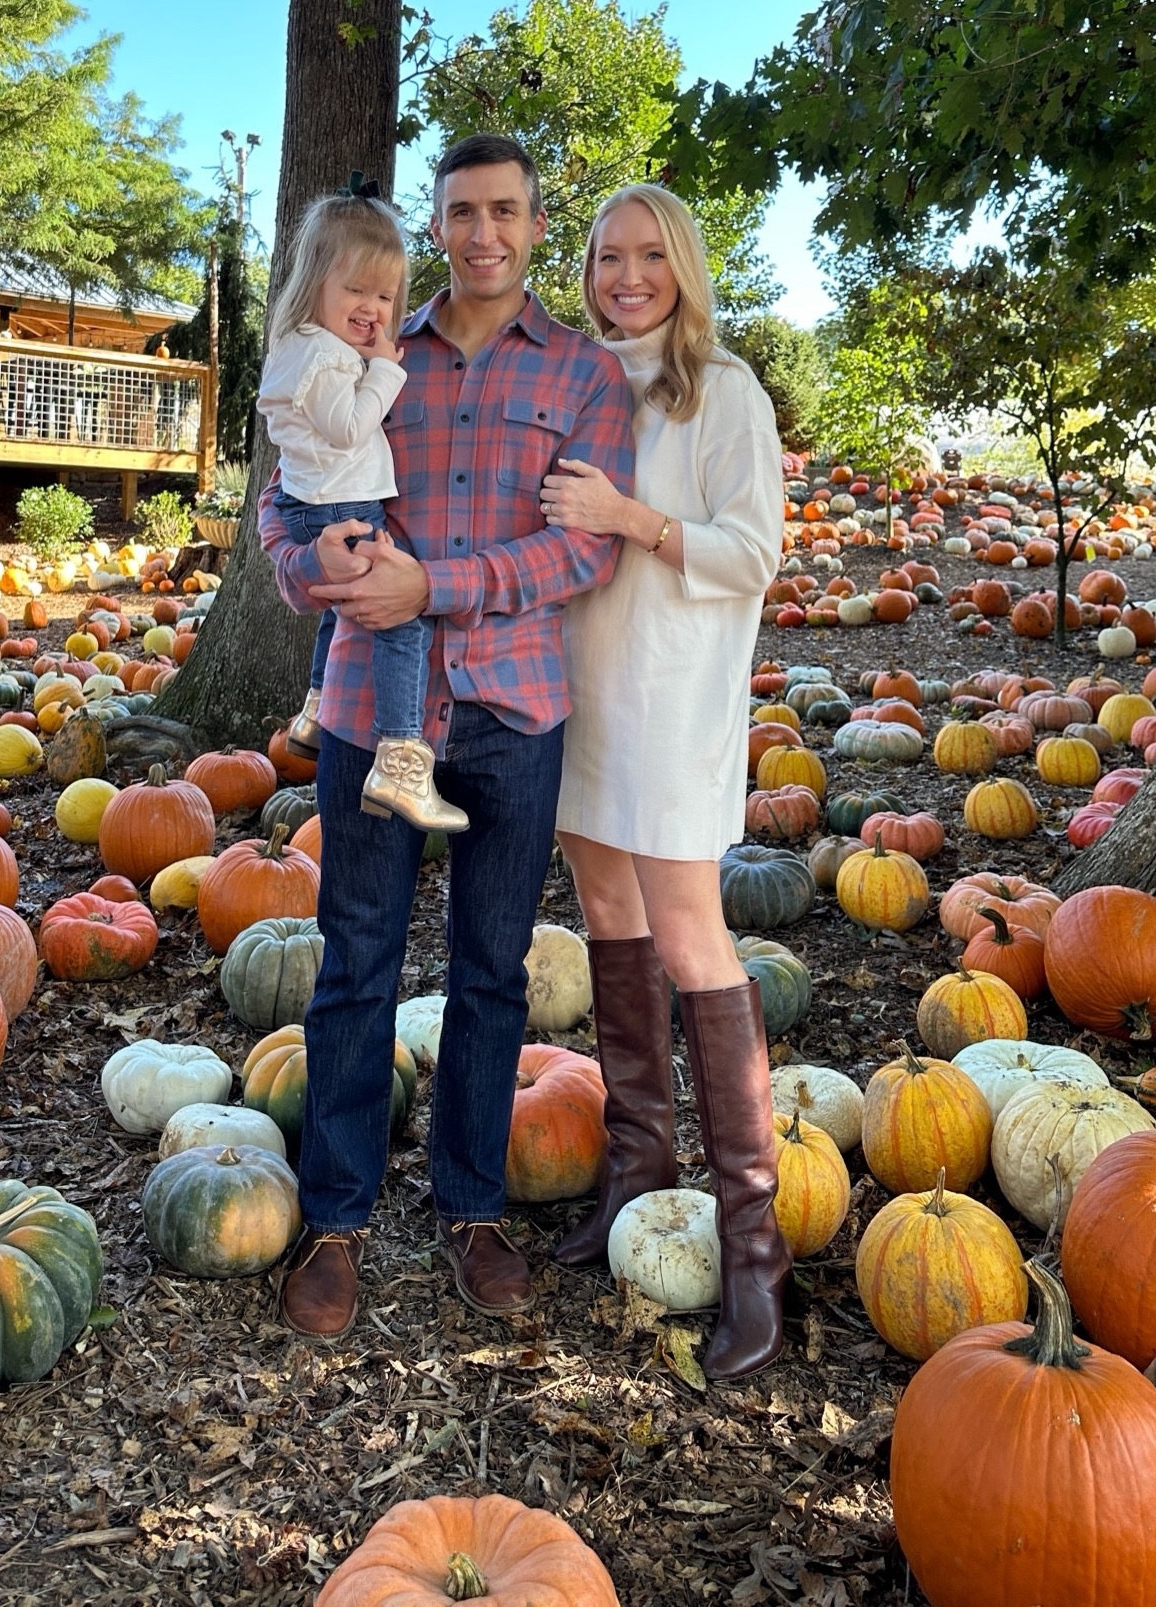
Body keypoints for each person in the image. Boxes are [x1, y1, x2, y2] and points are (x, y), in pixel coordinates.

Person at [257, 133, 636, 1340]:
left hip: (515, 707)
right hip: (373, 706)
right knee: (355, 960)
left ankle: (472, 1205)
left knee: (491, 969)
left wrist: (439, 586)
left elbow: (585, 547)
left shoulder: (584, 374)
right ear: (438, 224)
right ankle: (336, 1216)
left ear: (536, 225)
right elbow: (285, 496)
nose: (484, 234)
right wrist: (306, 567)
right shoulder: (368, 342)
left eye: (505, 212)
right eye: (463, 212)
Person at [540, 183, 789, 1382]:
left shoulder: (722, 389)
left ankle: (754, 1252)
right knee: (608, 917)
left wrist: (630, 515)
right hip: (577, 683)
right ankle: (638, 1174)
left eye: (649, 254)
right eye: (607, 255)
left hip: (674, 692)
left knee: (693, 938)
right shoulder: (578, 380)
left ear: (683, 266)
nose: (627, 275)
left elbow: (754, 548)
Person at [257, 184, 463, 834]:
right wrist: (385, 370)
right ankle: (400, 759)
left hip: (317, 500)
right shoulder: (323, 357)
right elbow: (349, 427)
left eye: (385, 296)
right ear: (315, 281)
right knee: (402, 622)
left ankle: (316, 711)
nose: (373, 309)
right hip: (340, 507)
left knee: (338, 613)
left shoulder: (302, 346)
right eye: (356, 290)